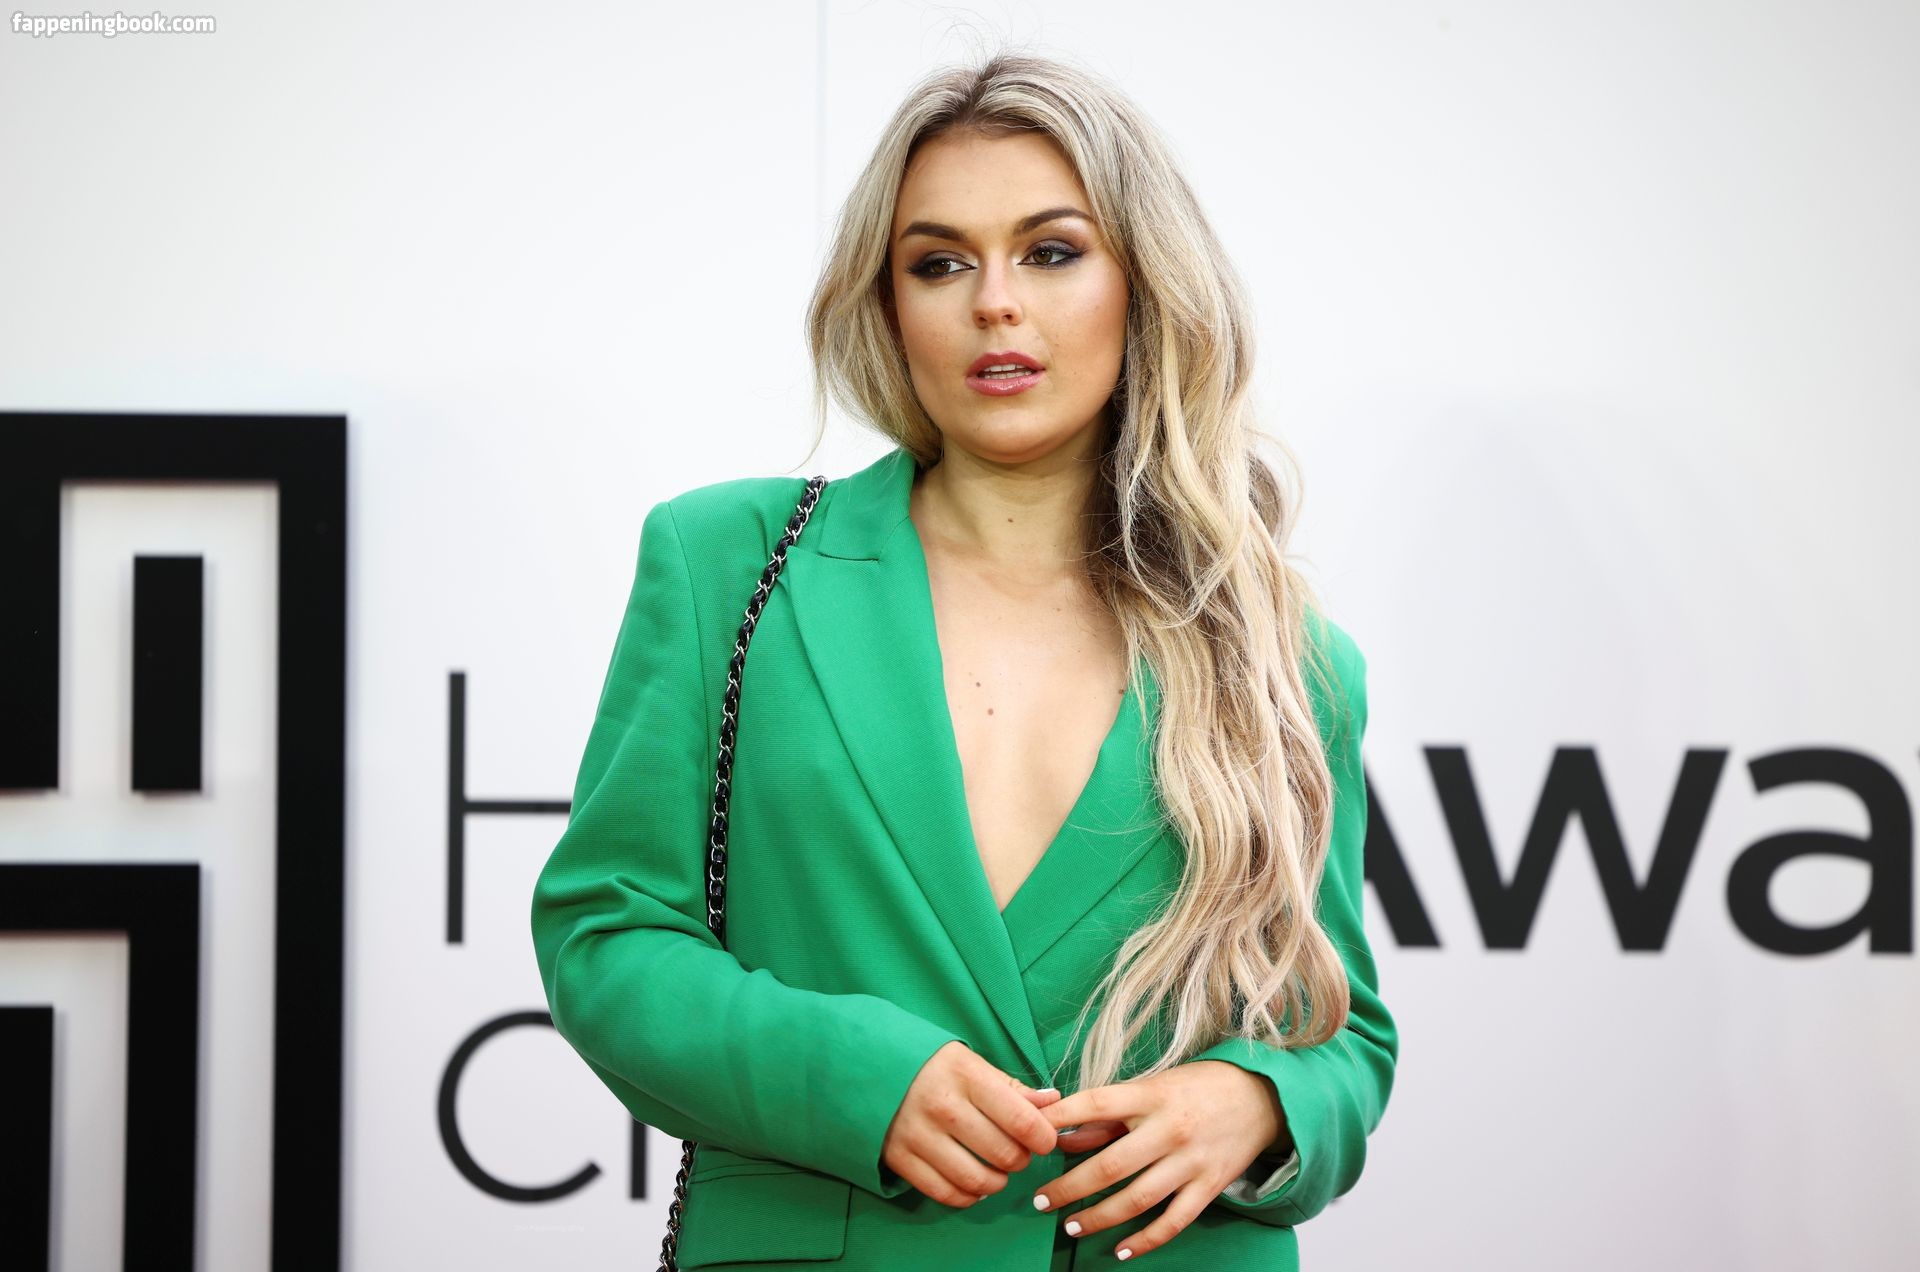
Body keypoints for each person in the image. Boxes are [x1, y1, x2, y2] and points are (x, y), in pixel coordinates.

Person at [530, 48, 1396, 1271]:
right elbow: (606, 935)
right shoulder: (727, 564)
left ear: (1143, 284)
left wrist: (1256, 1104)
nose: (995, 302)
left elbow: (1340, 1031)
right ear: (886, 307)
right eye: (939, 263)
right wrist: (851, 1078)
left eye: (1052, 251)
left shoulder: (1283, 655)